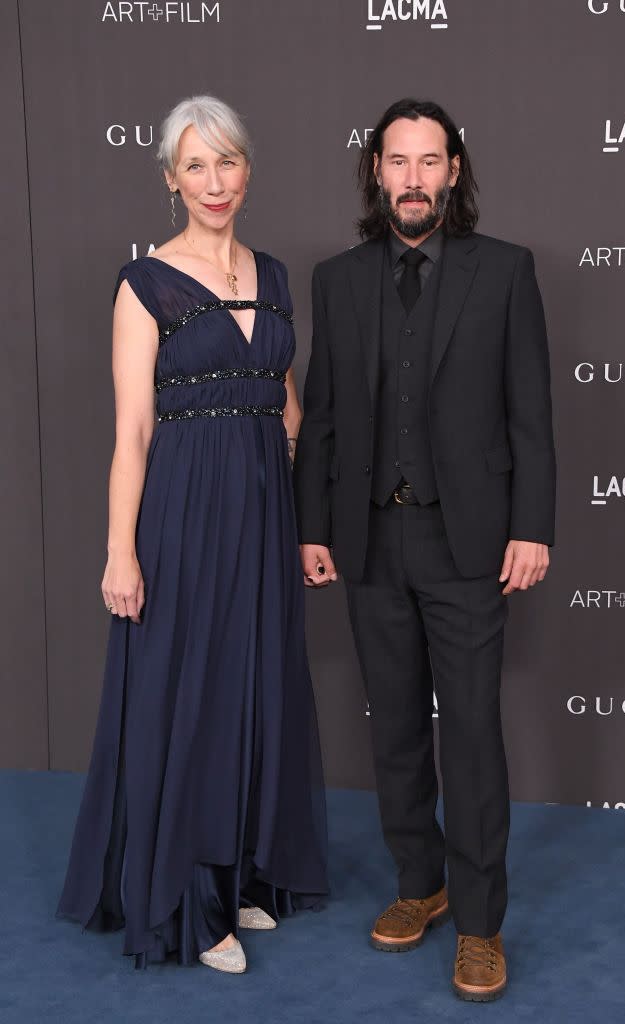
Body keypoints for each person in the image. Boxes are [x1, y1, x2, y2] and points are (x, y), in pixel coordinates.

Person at [57, 95, 328, 973]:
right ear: (171, 179)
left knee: (256, 687)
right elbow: (132, 430)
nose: (215, 182)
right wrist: (119, 549)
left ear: (249, 170)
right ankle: (187, 899)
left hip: (262, 512)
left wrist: (300, 511)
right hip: (182, 512)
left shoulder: (277, 276)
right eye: (196, 166)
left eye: (229, 162)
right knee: (192, 697)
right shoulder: (145, 284)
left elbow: (286, 405)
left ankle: (241, 870)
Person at [293, 97, 555, 1002]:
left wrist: (532, 525)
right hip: (368, 540)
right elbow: (321, 416)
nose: (412, 178)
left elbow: (530, 416)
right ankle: (421, 886)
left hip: (469, 545)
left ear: (453, 171)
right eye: (397, 162)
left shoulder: (507, 271)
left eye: (429, 161)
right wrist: (313, 526)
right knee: (395, 729)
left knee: (472, 736)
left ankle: (480, 926)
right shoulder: (336, 279)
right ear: (377, 172)